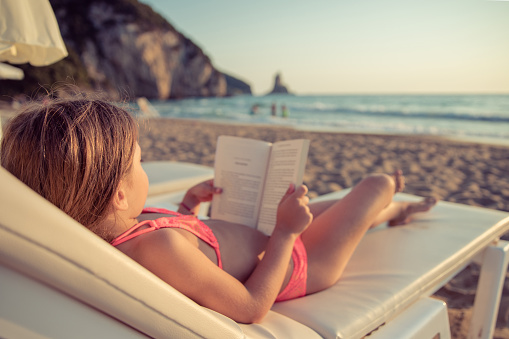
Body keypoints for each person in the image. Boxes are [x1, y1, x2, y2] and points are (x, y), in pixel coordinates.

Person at [0, 97, 437, 324]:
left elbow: (184, 243)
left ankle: (392, 212)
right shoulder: (159, 248)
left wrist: (189, 205)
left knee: (342, 205)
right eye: (140, 162)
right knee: (372, 185)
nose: (144, 168)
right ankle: (390, 199)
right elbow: (250, 308)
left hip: (267, 235)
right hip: (299, 263)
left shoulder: (112, 227)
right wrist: (286, 233)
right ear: (117, 194)